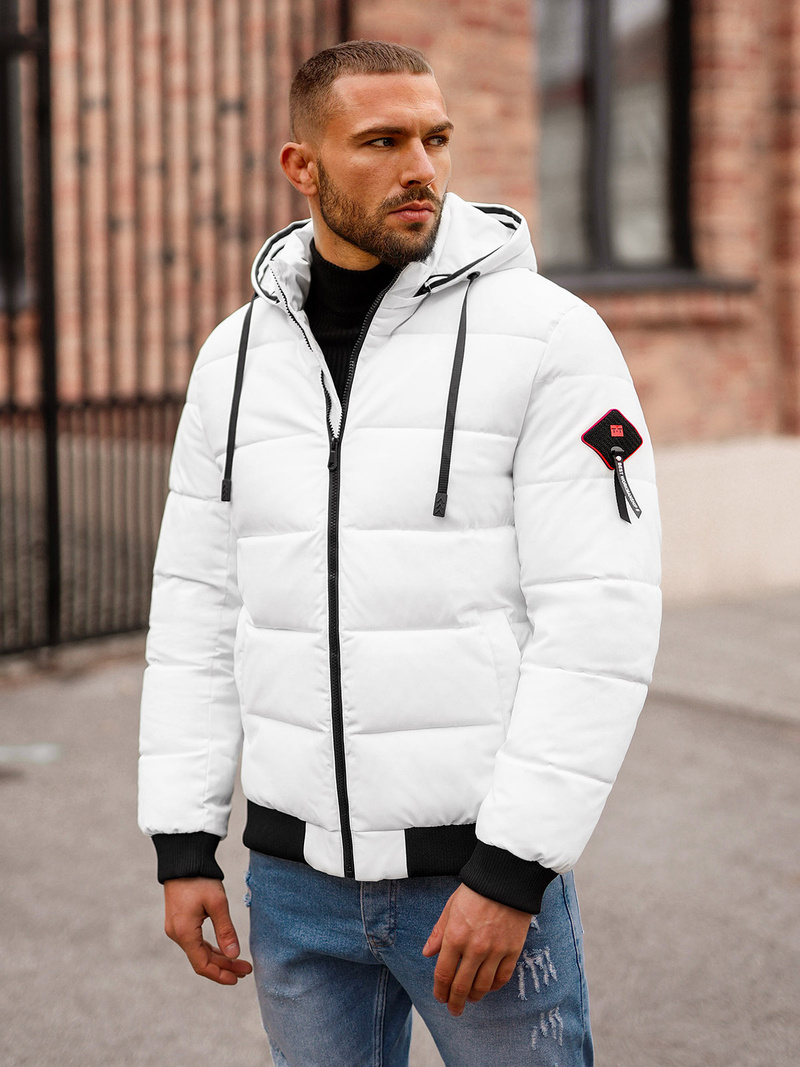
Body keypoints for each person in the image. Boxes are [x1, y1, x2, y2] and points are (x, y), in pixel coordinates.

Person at [138, 39, 661, 1067]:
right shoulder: (234, 357)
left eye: (434, 137)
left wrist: (513, 868)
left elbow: (598, 616)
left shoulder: (548, 337)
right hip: (291, 885)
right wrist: (182, 840)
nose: (420, 167)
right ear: (303, 166)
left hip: (473, 881)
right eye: (381, 142)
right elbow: (197, 604)